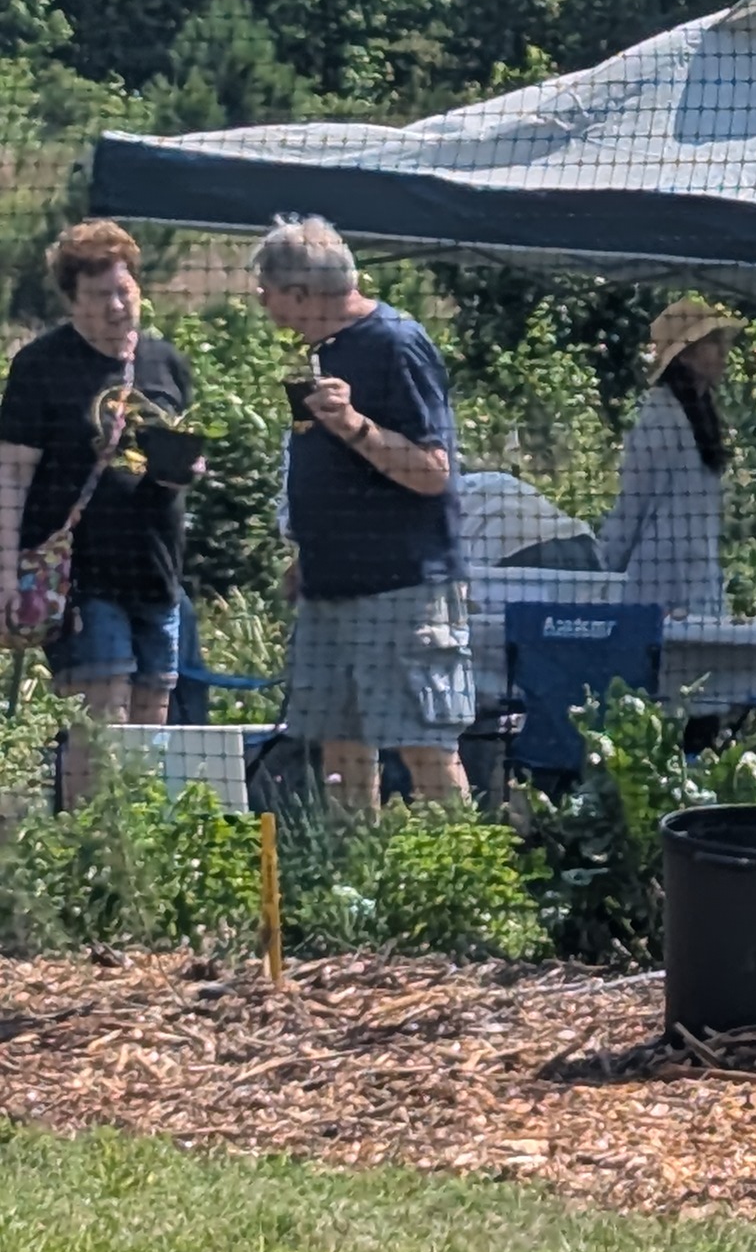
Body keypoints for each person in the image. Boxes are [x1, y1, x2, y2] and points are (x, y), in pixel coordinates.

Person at [252, 217, 472, 821]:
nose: (261, 302)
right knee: (339, 751)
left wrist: (355, 426)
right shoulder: (324, 350)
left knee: (424, 744)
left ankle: (464, 884)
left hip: (401, 587)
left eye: (265, 290)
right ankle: (354, 886)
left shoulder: (395, 342)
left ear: (301, 294)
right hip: (330, 589)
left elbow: (433, 470)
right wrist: (308, 556)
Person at [1, 220, 201, 805]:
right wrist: (6, 573)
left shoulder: (167, 364)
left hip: (158, 574)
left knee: (148, 726)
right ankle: (88, 860)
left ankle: (137, 864)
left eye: (125, 291)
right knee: (100, 722)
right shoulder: (42, 366)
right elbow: (11, 472)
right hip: (81, 577)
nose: (117, 307)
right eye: (99, 297)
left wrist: (188, 469)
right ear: (72, 301)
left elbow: (183, 455)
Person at [600, 297, 740, 620]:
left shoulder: (701, 414)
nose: (723, 352)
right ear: (686, 356)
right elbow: (633, 504)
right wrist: (601, 572)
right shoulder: (661, 417)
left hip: (697, 583)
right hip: (657, 586)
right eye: (713, 343)